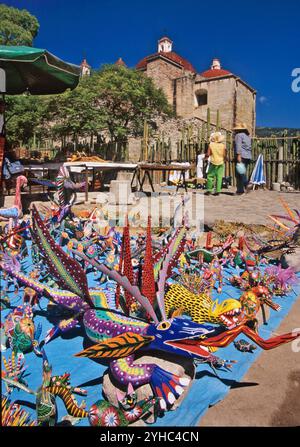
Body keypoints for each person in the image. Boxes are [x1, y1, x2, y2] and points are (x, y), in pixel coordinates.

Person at [205, 131, 226, 196]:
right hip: (221, 162)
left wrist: (205, 157)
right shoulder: (223, 146)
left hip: (213, 162)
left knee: (210, 176)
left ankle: (209, 190)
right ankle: (218, 191)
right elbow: (224, 155)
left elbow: (208, 154)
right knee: (219, 177)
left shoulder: (211, 145)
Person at [233, 123, 252, 195]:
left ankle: (246, 184)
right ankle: (240, 191)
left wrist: (238, 155)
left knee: (240, 173)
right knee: (241, 172)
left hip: (241, 156)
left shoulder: (238, 135)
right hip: (248, 156)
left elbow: (238, 146)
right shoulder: (247, 136)